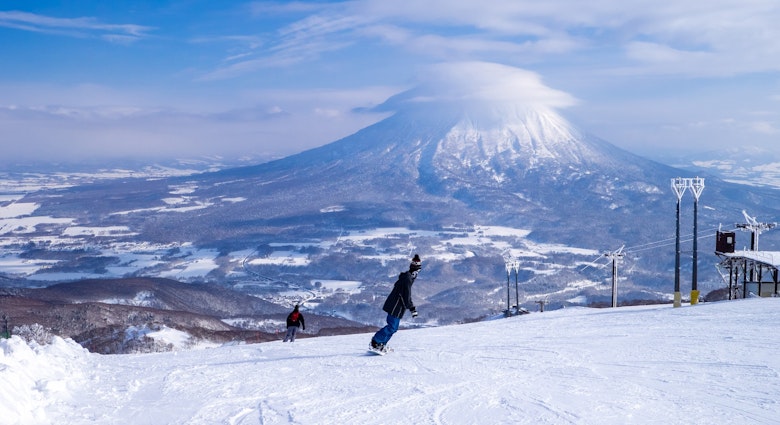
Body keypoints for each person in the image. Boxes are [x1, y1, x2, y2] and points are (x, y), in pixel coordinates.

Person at [370, 254, 421, 352]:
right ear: (414, 270)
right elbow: (407, 296)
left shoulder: (407, 278)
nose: (417, 273)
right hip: (395, 306)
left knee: (394, 328)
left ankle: (381, 344)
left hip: (397, 306)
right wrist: (412, 308)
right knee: (392, 326)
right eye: (417, 271)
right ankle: (376, 342)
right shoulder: (407, 279)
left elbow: (406, 294)